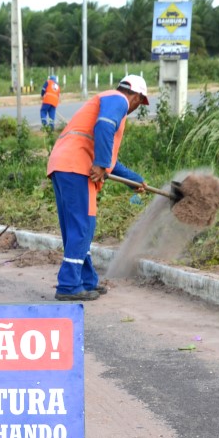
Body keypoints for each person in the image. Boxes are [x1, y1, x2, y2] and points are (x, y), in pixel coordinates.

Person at [46, 74, 149, 302]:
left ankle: (86, 280)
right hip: (76, 166)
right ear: (135, 95)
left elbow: (111, 162)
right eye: (139, 102)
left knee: (77, 227)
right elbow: (104, 126)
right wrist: (100, 164)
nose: (135, 108)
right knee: (83, 226)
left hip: (63, 164)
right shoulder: (118, 100)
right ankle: (69, 285)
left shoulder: (106, 100)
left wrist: (135, 180)